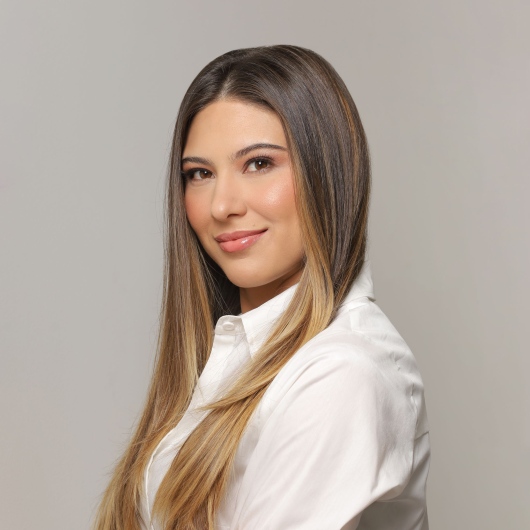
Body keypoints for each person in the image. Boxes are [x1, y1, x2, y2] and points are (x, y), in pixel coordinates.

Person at [94, 45, 430, 530]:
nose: (221, 205)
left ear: (328, 173)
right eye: (200, 174)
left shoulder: (339, 374)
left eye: (258, 164)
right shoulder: (229, 353)